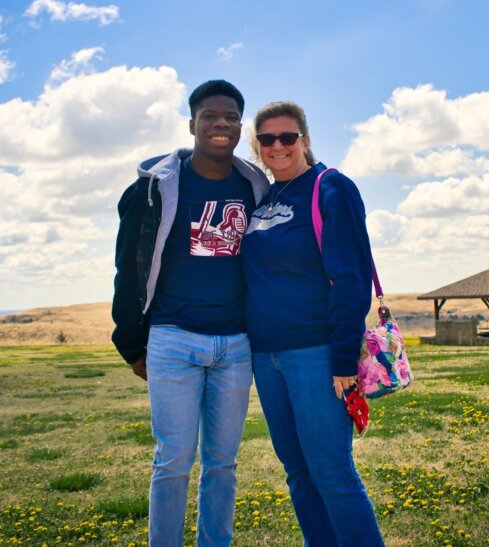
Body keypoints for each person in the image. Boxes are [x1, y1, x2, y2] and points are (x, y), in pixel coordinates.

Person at [111, 80, 270, 547]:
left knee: (222, 463)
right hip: (173, 340)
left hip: (235, 346)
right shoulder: (151, 191)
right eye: (210, 116)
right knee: (173, 460)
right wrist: (131, 343)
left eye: (231, 118)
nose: (221, 125)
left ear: (240, 127)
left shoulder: (255, 187)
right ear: (192, 124)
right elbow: (129, 267)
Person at [242, 101, 385, 546]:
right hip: (266, 357)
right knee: (298, 473)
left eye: (288, 137)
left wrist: (342, 359)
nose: (278, 146)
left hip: (317, 355)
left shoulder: (330, 188)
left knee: (331, 472)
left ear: (305, 139)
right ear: (258, 147)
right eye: (267, 139)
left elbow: (351, 277)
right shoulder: (265, 197)